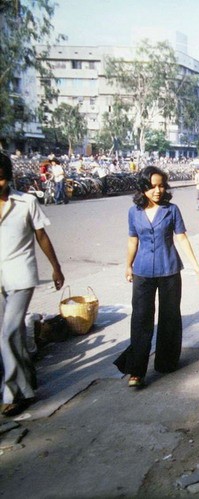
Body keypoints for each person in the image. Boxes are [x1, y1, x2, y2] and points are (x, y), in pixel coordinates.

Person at [114, 166, 199, 388]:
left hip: (169, 270)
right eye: (153, 186)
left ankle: (166, 362)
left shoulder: (171, 209)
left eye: (161, 186)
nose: (158, 190)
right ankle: (137, 370)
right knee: (141, 319)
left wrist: (197, 268)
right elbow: (132, 240)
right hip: (142, 271)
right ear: (143, 187)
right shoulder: (133, 212)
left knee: (170, 317)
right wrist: (128, 265)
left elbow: (182, 238)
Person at [0, 152, 65, 416]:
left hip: (21, 276)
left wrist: (56, 268)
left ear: (9, 177)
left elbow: (42, 236)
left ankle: (14, 393)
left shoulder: (26, 202)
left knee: (10, 332)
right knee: (4, 336)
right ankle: (27, 377)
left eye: (1, 179)